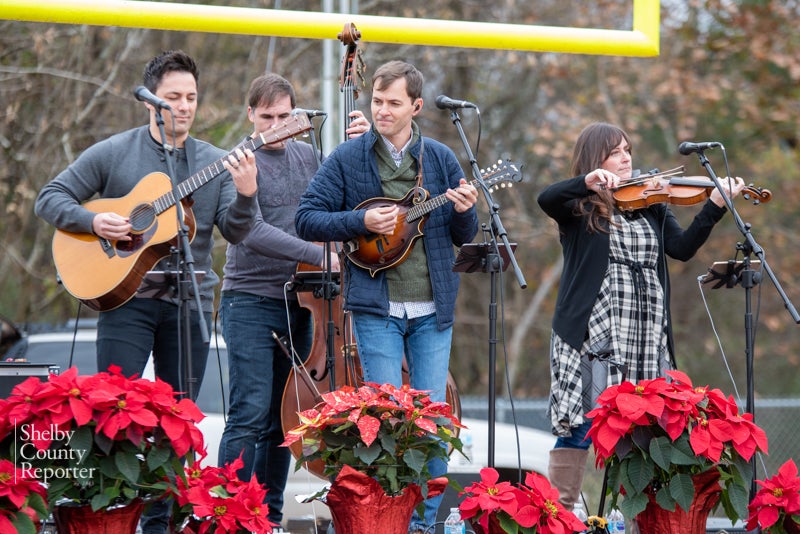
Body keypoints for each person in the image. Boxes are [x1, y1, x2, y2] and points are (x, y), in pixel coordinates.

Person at [34, 50, 259, 534]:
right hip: (125, 301)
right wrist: (94, 220)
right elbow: (49, 197)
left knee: (178, 426)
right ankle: (107, 517)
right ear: (149, 101)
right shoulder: (115, 152)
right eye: (173, 97)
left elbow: (237, 232)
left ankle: (164, 523)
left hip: (190, 304)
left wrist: (246, 193)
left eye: (191, 97)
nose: (183, 106)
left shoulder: (215, 163)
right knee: (112, 418)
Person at [295, 60, 479, 534]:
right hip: (376, 308)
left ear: (416, 107)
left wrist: (464, 211)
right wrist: (360, 222)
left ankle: (424, 523)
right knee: (386, 418)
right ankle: (386, 520)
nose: (382, 110)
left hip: (432, 309)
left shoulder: (439, 159)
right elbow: (307, 218)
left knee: (433, 420)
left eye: (393, 103)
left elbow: (465, 233)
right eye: (377, 101)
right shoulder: (348, 158)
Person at [536, 122, 746, 511]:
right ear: (595, 159)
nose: (627, 157)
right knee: (582, 426)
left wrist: (714, 207)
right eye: (616, 152)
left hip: (645, 332)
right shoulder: (578, 207)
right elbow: (545, 198)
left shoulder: (650, 204)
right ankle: (560, 513)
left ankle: (637, 517)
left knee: (645, 430)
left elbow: (681, 249)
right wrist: (586, 181)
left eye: (628, 150)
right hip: (593, 330)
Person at [216, 72, 369, 527]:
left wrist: (355, 149)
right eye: (267, 116)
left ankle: (269, 516)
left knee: (285, 421)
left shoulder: (309, 156)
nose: (277, 124)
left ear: (298, 115)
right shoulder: (239, 160)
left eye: (285, 115)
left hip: (304, 303)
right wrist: (321, 255)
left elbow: (335, 208)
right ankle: (231, 515)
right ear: (251, 115)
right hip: (249, 298)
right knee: (249, 411)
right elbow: (251, 231)